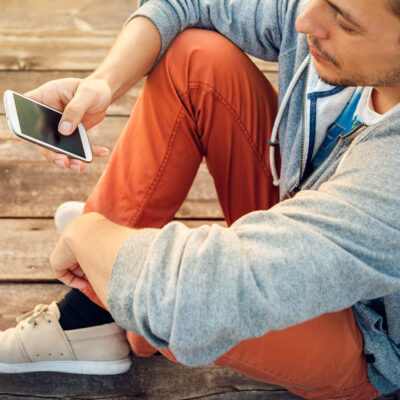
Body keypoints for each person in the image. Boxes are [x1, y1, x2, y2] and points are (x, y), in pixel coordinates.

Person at [1, 0, 400, 398]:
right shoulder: (326, 14)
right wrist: (102, 84)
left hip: (361, 337)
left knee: (170, 297)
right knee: (196, 56)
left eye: (345, 24)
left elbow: (195, 298)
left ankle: (90, 310)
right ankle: (105, 297)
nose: (304, 20)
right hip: (300, 216)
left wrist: (89, 234)